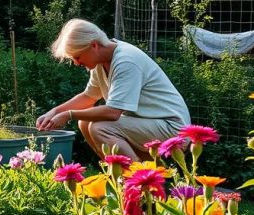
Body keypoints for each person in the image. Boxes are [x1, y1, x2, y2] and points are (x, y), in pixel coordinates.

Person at [36, 18, 190, 159]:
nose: (76, 63)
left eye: (77, 57)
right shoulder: (101, 62)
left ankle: (140, 182)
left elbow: (113, 112)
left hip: (173, 128)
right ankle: (119, 174)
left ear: (94, 45)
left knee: (101, 128)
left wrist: (68, 115)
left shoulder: (126, 62)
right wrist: (55, 111)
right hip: (150, 123)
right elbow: (89, 97)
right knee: (84, 122)